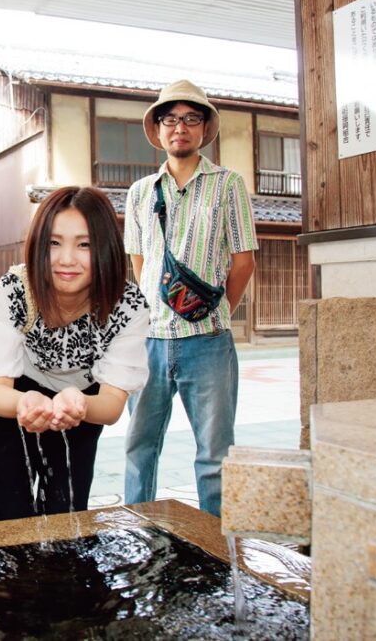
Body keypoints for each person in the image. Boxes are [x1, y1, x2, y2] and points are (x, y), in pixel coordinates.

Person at [0, 187, 149, 523]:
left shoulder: (128, 305)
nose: (67, 259)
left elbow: (110, 406)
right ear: (38, 245)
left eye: (84, 244)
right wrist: (26, 402)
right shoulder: (15, 289)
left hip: (80, 405)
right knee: (7, 509)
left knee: (66, 512)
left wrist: (76, 403)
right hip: (12, 398)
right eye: (54, 243)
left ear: (105, 247)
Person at [123, 79, 258, 517]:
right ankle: (136, 534)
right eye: (170, 119)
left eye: (191, 118)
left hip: (209, 342)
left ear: (203, 129)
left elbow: (243, 262)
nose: (180, 127)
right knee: (139, 447)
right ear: (159, 130)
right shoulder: (141, 192)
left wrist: (214, 312)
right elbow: (139, 261)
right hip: (150, 343)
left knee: (215, 454)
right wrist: (161, 309)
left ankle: (218, 549)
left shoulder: (228, 185)